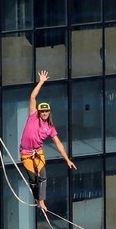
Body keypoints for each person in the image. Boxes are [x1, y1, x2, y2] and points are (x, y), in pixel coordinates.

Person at [19, 70, 76, 212]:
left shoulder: (50, 127)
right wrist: (41, 82)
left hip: (37, 152)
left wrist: (67, 160)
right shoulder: (33, 116)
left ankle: (42, 201)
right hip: (26, 152)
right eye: (42, 111)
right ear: (39, 112)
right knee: (33, 178)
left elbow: (58, 143)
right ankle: (38, 199)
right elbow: (33, 97)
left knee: (43, 176)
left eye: (46, 111)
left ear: (49, 112)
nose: (44, 113)